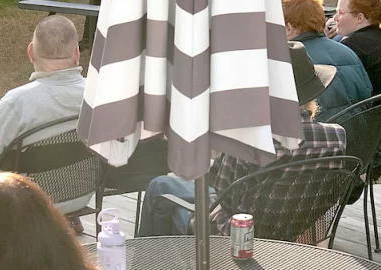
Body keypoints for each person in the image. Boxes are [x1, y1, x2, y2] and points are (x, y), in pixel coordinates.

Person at [139, 43, 346, 236]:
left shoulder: (248, 141)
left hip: (236, 237)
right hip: (294, 236)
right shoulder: (337, 137)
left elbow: (222, 196)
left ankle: (152, 264)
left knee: (161, 186)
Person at [0, 15, 84, 190]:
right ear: (77, 54)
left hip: (28, 202)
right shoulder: (99, 94)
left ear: (30, 52)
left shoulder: (19, 101)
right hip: (80, 193)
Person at [282, 0, 368, 111]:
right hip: (364, 127)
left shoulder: (293, 62)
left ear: (288, 28)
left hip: (321, 128)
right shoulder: (348, 51)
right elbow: (367, 92)